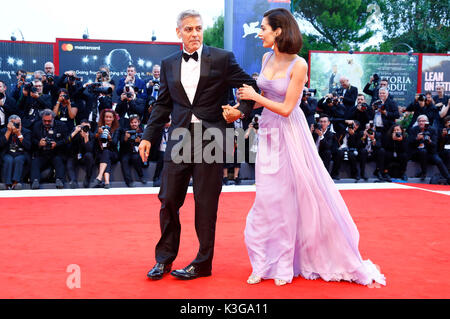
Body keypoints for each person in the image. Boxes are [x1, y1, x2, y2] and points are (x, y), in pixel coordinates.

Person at [238, 8, 385, 287]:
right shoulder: (267, 56)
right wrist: (240, 108)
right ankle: (263, 263)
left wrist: (256, 95)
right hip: (268, 133)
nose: (259, 33)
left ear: (278, 31)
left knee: (289, 199)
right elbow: (263, 101)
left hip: (291, 135)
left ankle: (283, 265)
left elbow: (286, 107)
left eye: (263, 28)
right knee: (266, 200)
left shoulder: (299, 65)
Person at [139, 9, 257, 281]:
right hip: (180, 137)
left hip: (214, 137)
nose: (195, 33)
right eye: (189, 29)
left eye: (198, 28)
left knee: (206, 204)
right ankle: (164, 259)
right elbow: (163, 105)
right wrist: (148, 136)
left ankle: (203, 263)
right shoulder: (169, 63)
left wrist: (240, 110)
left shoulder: (222, 58)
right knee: (168, 199)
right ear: (178, 31)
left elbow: (249, 86)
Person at [0, 115, 31, 190]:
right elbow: (0, 144)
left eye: (18, 124)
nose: (16, 126)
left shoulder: (26, 132)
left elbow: (28, 146)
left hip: (21, 153)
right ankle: (7, 183)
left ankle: (16, 182)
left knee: (18, 159)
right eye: (13, 124)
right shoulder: (3, 131)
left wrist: (19, 134)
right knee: (8, 159)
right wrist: (8, 131)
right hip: (8, 153)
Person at [92, 109, 121, 189]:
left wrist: (110, 138)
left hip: (113, 153)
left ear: (113, 118)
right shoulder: (98, 127)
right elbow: (92, 138)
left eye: (110, 117)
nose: (108, 119)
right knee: (105, 155)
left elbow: (115, 143)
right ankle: (107, 182)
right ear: (103, 118)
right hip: (100, 153)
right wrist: (98, 134)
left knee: (106, 153)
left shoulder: (117, 129)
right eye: (106, 117)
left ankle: (99, 177)